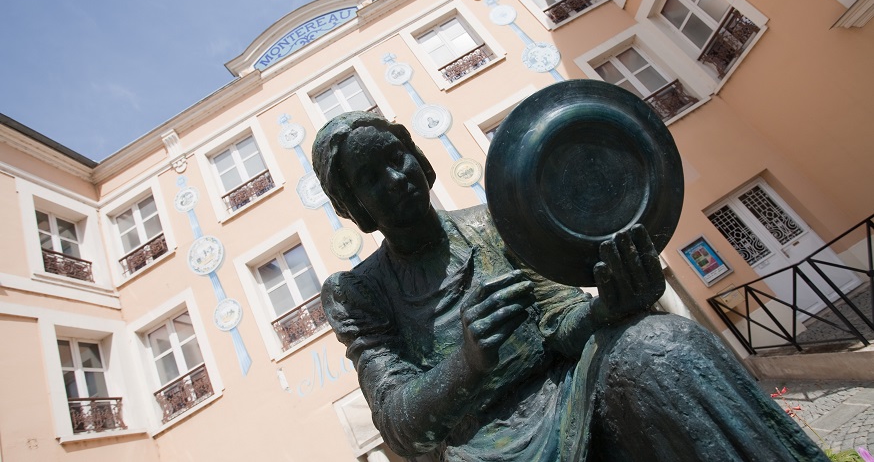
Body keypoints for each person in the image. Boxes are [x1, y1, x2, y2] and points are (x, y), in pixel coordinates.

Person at [313, 111, 827, 462]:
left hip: (570, 387)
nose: (397, 178)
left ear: (419, 158)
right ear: (354, 207)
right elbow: (401, 426)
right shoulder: (357, 292)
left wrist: (607, 308)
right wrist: (466, 362)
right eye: (371, 178)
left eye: (396, 157)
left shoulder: (495, 222)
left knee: (662, 345)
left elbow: (561, 321)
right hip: (489, 443)